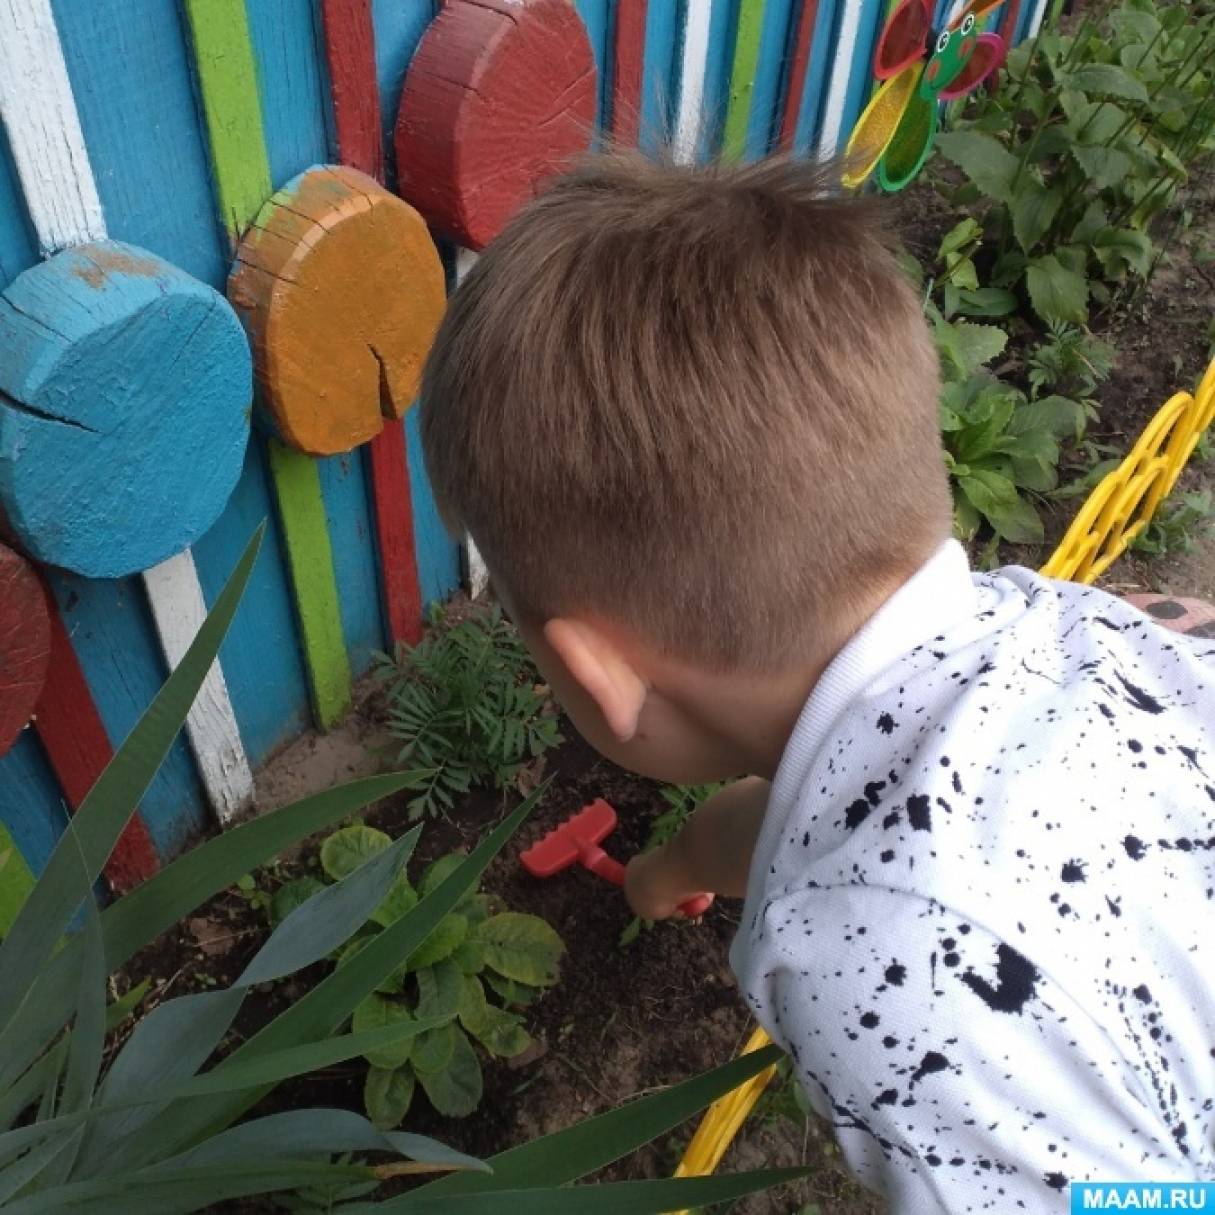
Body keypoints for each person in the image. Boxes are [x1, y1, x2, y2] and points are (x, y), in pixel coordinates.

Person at [419, 153, 1215, 1211]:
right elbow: (836, 798)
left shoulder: (884, 982)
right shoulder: (1085, 623)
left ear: (592, 675)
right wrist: (677, 864)